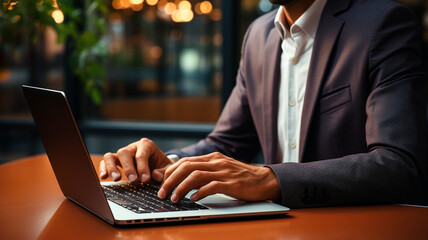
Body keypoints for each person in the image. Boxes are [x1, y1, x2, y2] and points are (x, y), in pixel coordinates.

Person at [99, 0, 428, 208]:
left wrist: (270, 178)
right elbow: (226, 142)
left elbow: (399, 165)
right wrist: (167, 164)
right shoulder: (258, 35)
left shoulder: (383, 23)